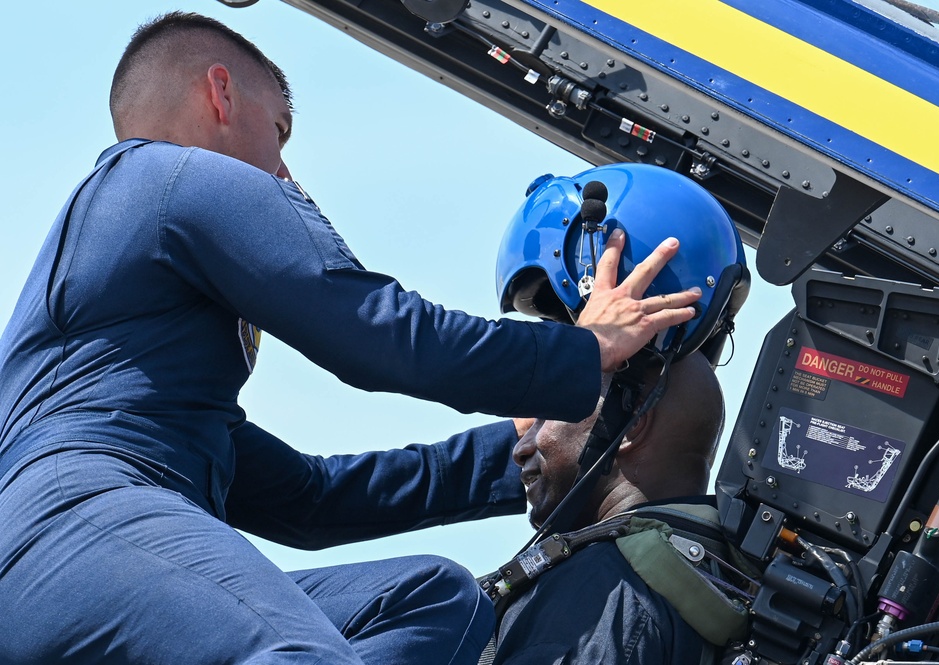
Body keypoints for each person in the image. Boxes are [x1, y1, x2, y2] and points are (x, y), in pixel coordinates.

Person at [0, 12, 702, 665]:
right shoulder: (170, 176)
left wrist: (516, 444)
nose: (284, 171)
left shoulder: (149, 391)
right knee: (298, 651)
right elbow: (378, 332)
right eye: (278, 131)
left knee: (436, 598)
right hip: (73, 527)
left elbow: (309, 499)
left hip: (58, 555)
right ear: (220, 94)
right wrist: (580, 351)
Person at [482, 161, 752, 663]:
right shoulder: (715, 582)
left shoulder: (599, 594)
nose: (519, 442)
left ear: (634, 423)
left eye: (545, 411)